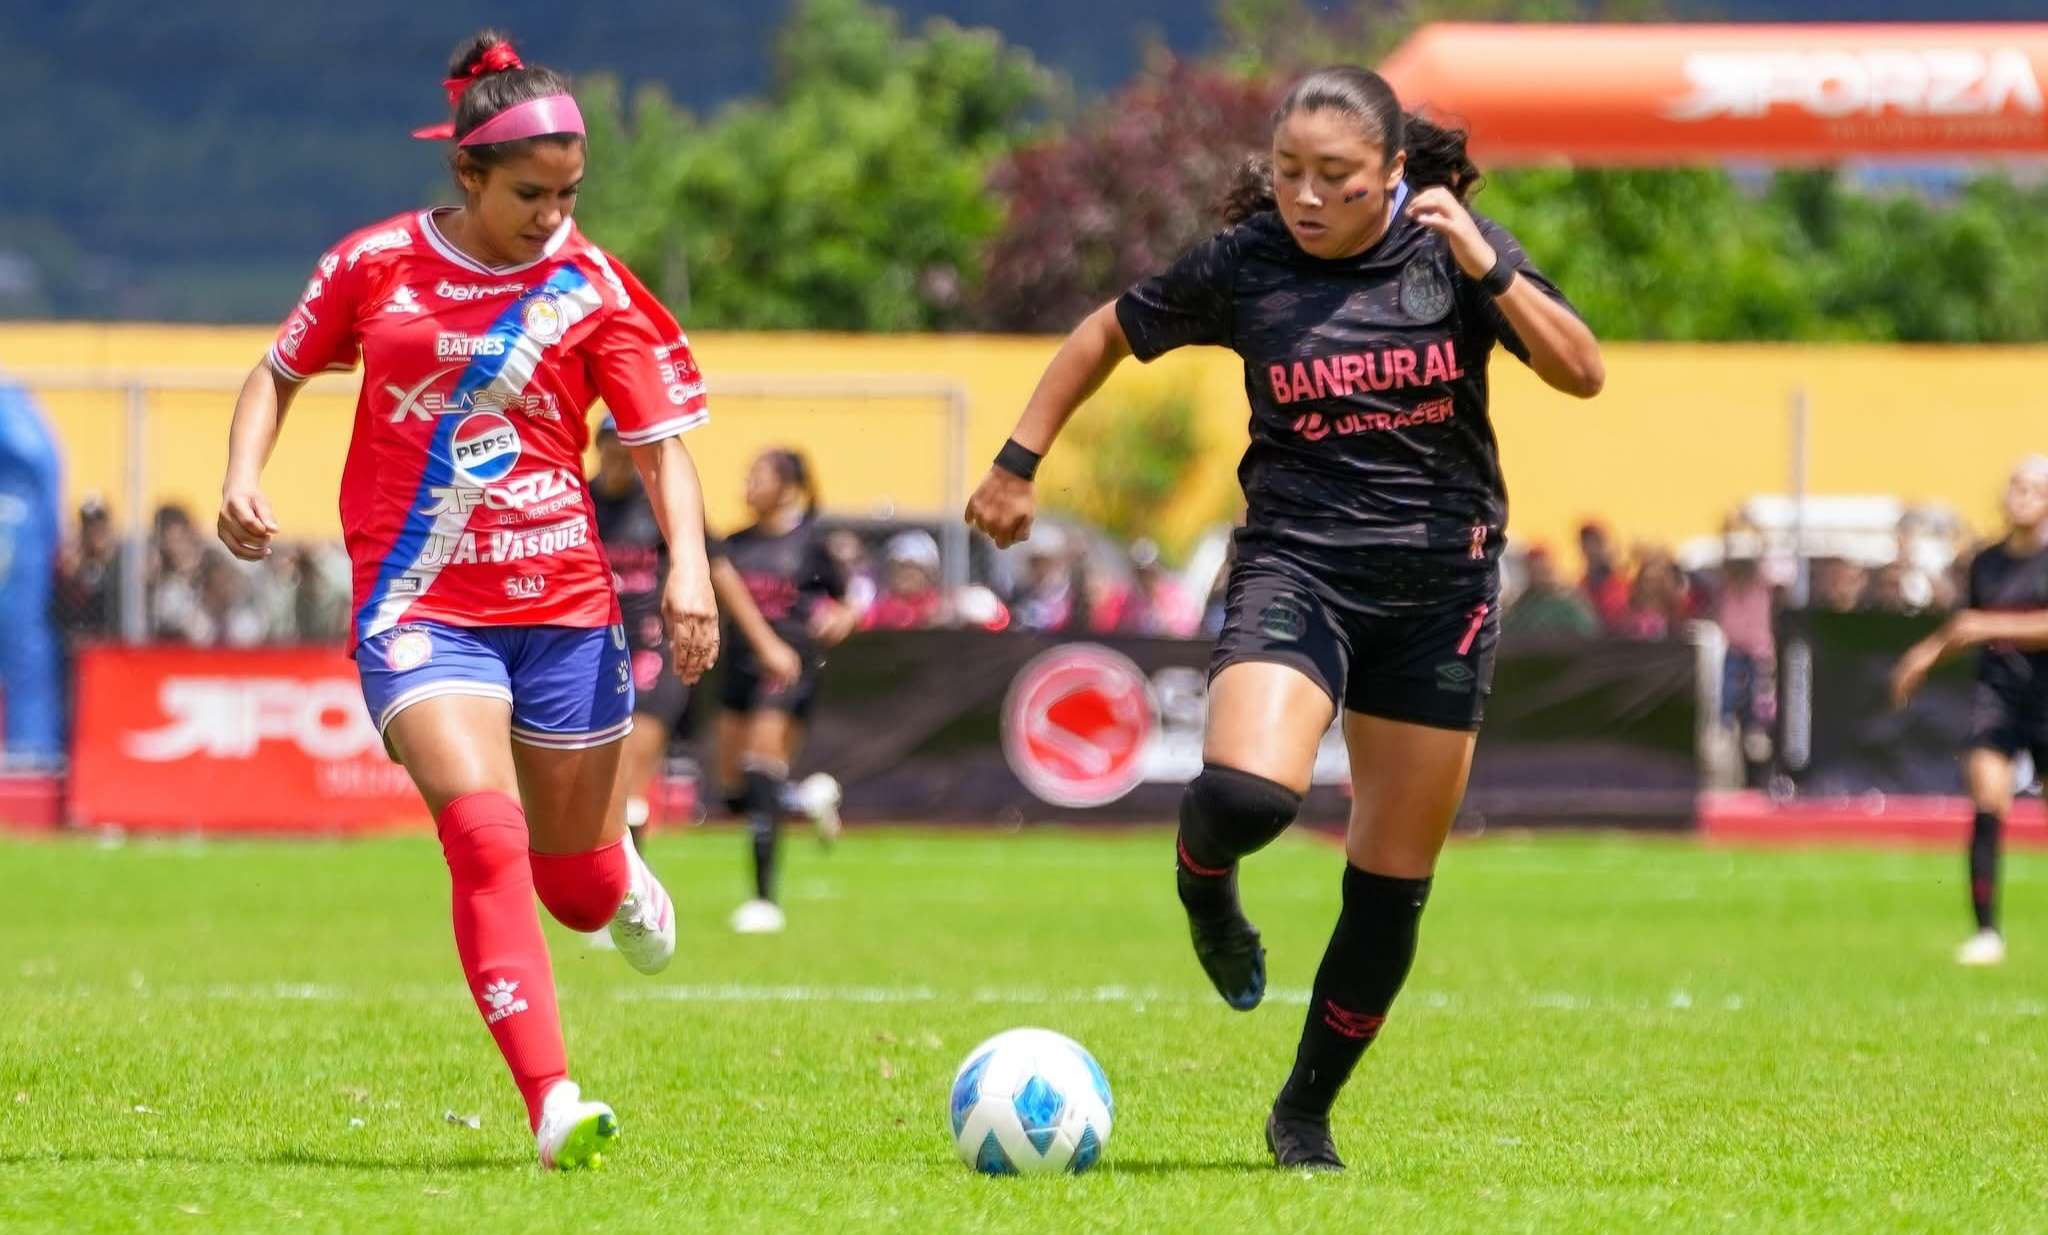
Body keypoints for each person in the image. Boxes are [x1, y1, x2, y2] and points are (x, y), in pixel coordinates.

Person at [965, 65, 1603, 1170]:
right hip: (1297, 566)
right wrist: (1016, 462)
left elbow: (1581, 370)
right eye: (1287, 171)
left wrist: (1486, 263)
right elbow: (1102, 333)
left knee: (1390, 881)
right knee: (1249, 794)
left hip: (1440, 593)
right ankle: (1204, 881)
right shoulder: (1246, 260)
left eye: (1333, 175)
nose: (1304, 195)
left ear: (1392, 171)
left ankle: (1303, 1113)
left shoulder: (1453, 255)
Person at [214, 30, 718, 1171]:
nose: (553, 215)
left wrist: (688, 568)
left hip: (565, 609)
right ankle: (553, 1102)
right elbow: (278, 371)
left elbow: (657, 445)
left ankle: (616, 867)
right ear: (468, 175)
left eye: (569, 194)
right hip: (419, 607)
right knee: (484, 834)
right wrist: (242, 474)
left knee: (575, 891)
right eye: (530, 195)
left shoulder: (594, 287)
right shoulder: (374, 263)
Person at [1892, 456, 2048, 967]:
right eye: (2015, 486)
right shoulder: (1987, 563)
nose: (2019, 496)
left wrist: (1986, 626)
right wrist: (1923, 655)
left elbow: (1977, 625)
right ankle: (1986, 933)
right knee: (1987, 796)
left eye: (2032, 489)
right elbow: (1965, 626)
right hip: (1999, 694)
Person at [714, 448, 857, 934]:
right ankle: (805, 799)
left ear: (787, 487)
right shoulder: (734, 544)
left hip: (789, 665)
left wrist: (841, 619)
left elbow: (847, 599)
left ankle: (763, 901)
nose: (748, 486)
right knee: (736, 793)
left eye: (759, 477)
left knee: (760, 767)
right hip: (739, 667)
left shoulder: (811, 544)